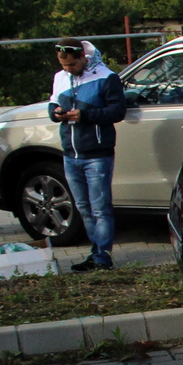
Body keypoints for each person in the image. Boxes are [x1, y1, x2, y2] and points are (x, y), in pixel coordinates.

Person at [48, 39, 125, 272]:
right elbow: (52, 103)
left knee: (100, 207)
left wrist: (86, 115)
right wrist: (56, 113)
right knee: (83, 207)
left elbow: (118, 110)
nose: (68, 69)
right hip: (70, 153)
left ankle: (103, 256)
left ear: (83, 57)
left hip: (97, 153)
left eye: (72, 65)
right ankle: (95, 251)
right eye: (64, 66)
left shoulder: (106, 77)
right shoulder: (60, 77)